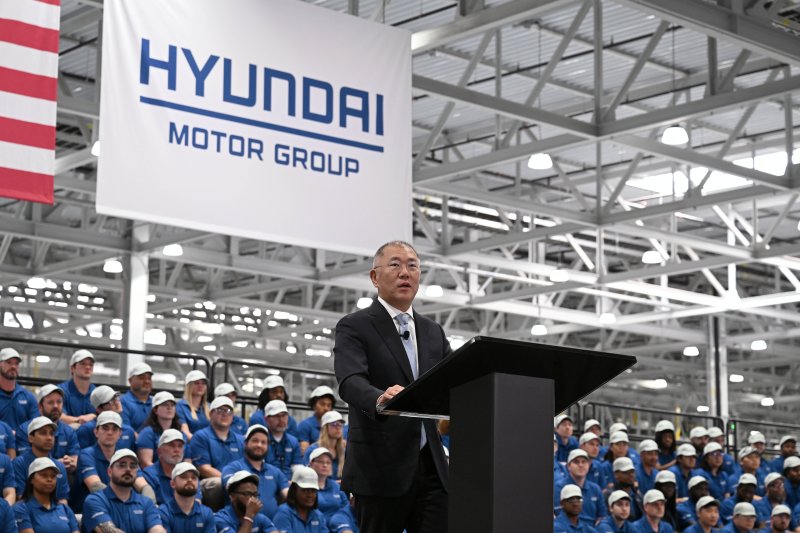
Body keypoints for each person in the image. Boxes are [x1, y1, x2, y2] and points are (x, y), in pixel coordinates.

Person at [333, 240, 451, 533]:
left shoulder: (433, 332)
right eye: (395, 264)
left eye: (413, 266)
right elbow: (350, 381)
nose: (405, 272)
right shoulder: (355, 325)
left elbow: (454, 382)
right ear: (375, 277)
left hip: (431, 467)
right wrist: (379, 399)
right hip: (379, 467)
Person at [73, 411, 155, 511]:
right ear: (96, 432)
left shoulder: (126, 456)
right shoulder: (87, 455)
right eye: (105, 428)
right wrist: (123, 504)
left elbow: (144, 487)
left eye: (115, 429)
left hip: (121, 508)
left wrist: (149, 507)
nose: (110, 433)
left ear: (120, 434)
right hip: (90, 510)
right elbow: (95, 487)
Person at [82, 449, 165, 533]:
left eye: (132, 466)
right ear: (110, 471)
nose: (128, 469)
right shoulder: (95, 500)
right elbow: (109, 531)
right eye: (122, 465)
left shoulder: (146, 503)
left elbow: (157, 529)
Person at [187, 395, 244, 510]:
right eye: (220, 410)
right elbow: (204, 469)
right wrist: (231, 481)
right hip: (211, 483)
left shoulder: (241, 440)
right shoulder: (200, 437)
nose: (225, 414)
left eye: (228, 411)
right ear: (211, 414)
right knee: (218, 483)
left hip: (236, 482)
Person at [221, 424, 289, 520]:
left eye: (263, 442)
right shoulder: (233, 468)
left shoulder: (275, 471)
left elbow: (288, 494)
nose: (259, 445)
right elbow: (229, 488)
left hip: (270, 524)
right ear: (245, 443)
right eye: (255, 441)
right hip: (239, 523)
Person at [16, 384, 79, 473]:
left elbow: (75, 459)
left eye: (59, 402)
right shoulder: (25, 429)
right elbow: (25, 462)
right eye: (50, 402)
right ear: (40, 406)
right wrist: (57, 464)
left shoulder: (69, 431)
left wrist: (71, 462)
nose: (56, 406)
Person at [13, 457, 78, 533]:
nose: (49, 479)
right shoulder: (21, 508)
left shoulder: (65, 509)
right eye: (44, 475)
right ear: (31, 479)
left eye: (53, 476)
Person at [12, 417, 69, 503]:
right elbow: (21, 497)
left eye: (51, 434)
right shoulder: (19, 463)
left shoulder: (59, 466)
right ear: (31, 438)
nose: (49, 438)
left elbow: (62, 499)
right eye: (43, 433)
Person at [141, 429, 200, 506]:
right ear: (159, 451)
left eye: (180, 446)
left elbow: (197, 503)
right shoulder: (149, 475)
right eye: (171, 445)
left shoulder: (191, 474)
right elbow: (151, 507)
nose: (177, 450)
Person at [157, 462, 215, 533]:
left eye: (193, 478)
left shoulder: (207, 513)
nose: (190, 480)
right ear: (172, 483)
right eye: (184, 477)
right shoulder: (163, 513)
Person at [273, 466, 333, 533]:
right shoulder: (284, 513)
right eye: (305, 490)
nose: (310, 495)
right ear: (294, 490)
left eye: (313, 491)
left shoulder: (318, 516)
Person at [555, 449, 607, 524]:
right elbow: (558, 514)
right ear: (568, 466)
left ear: (589, 465)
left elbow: (602, 515)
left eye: (584, 462)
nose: (581, 465)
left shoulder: (595, 489)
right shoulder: (559, 487)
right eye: (576, 462)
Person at [76, 385, 136, 450]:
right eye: (111, 402)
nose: (117, 402)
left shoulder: (129, 431)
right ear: (99, 409)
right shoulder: (86, 429)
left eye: (116, 397)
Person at [136, 391, 183, 468]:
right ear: (155, 410)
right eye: (165, 404)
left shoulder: (181, 434)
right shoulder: (147, 434)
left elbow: (187, 461)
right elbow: (146, 463)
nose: (169, 408)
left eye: (172, 405)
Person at [0, 348, 38, 432]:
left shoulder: (28, 397)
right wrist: (7, 434)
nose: (13, 366)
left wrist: (18, 434)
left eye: (16, 363)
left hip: (21, 440)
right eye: (9, 362)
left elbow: (35, 426)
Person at [263, 399, 303, 478]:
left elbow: (297, 466)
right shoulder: (261, 441)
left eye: (284, 415)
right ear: (267, 419)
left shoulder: (293, 441)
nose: (281, 420)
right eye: (276, 416)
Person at [57, 349, 96, 428]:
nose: (88, 367)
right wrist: (80, 420)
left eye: (91, 364)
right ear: (72, 368)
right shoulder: (61, 391)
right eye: (83, 364)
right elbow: (58, 416)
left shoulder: (97, 393)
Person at [306, 447, 348, 521]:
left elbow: (346, 508)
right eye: (321, 462)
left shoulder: (336, 486)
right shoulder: (305, 487)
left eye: (328, 462)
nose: (325, 465)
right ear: (311, 463)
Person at [303, 411, 346, 480]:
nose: (338, 427)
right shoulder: (313, 450)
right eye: (334, 424)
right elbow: (306, 475)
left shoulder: (344, 451)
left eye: (340, 424)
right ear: (325, 428)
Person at [297, 386, 337, 454]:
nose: (326, 408)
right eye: (322, 404)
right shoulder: (305, 425)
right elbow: (305, 452)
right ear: (314, 405)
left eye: (329, 405)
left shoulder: (336, 426)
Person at [120, 362, 154, 432]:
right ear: (130, 381)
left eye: (149, 378)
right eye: (142, 378)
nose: (147, 381)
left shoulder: (155, 403)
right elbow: (126, 432)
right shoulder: (122, 403)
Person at [176, 370, 209, 439]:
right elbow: (185, 432)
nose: (200, 386)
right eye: (196, 383)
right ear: (189, 386)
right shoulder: (180, 407)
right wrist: (202, 442)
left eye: (203, 383)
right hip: (191, 444)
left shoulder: (210, 407)